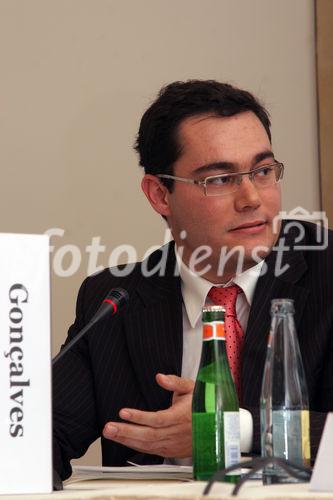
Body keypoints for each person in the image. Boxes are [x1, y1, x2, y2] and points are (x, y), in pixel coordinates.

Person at [53, 80, 333, 480]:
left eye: (263, 170)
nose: (252, 197)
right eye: (219, 179)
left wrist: (234, 429)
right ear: (159, 195)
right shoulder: (115, 300)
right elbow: (37, 437)